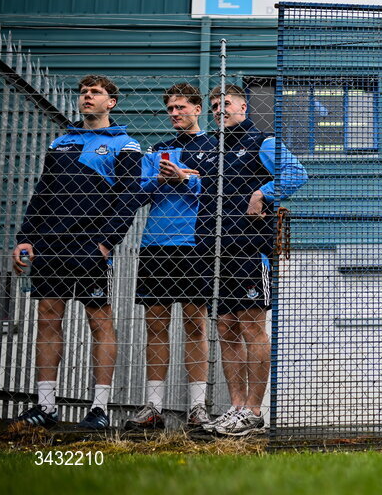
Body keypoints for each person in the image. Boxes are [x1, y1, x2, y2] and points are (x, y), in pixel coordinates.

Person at [11, 75, 142, 430]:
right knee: (48, 318)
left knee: (100, 321)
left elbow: (128, 199)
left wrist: (104, 242)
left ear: (110, 103)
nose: (86, 97)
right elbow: (42, 193)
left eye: (95, 93)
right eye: (83, 93)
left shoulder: (126, 146)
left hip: (89, 248)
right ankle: (46, 405)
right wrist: (26, 237)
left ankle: (99, 409)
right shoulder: (61, 143)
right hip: (50, 245)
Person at [201, 84, 308, 437]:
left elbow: (296, 174)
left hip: (250, 249)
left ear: (244, 106)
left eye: (226, 104)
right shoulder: (211, 151)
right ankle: (236, 408)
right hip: (214, 252)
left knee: (251, 327)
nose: (220, 110)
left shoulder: (263, 142)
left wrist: (263, 192)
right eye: (215, 106)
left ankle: (254, 410)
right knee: (224, 327)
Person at [123, 84, 218, 431]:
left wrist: (189, 181)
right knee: (156, 325)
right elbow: (138, 192)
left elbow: (220, 192)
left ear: (197, 108)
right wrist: (168, 180)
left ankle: (197, 408)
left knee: (195, 324)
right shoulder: (159, 150)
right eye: (170, 109)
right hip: (155, 243)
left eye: (181, 107)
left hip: (195, 244)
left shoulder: (214, 147)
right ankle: (154, 407)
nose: (175, 113)